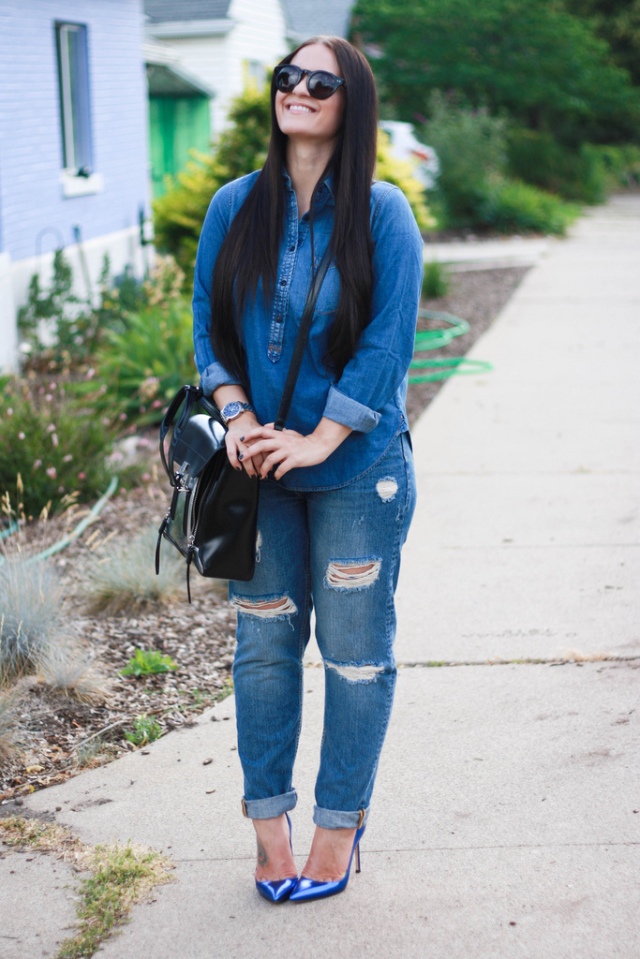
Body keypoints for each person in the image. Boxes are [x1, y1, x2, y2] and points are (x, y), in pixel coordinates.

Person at [192, 36, 423, 903]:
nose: (297, 89)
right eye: (288, 76)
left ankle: (338, 828)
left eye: (319, 82)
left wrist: (321, 437)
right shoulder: (234, 206)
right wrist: (239, 414)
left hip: (359, 472)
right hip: (258, 473)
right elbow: (207, 325)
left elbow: (389, 338)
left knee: (357, 656)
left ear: (349, 103)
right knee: (263, 650)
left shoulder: (382, 212)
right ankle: (268, 832)